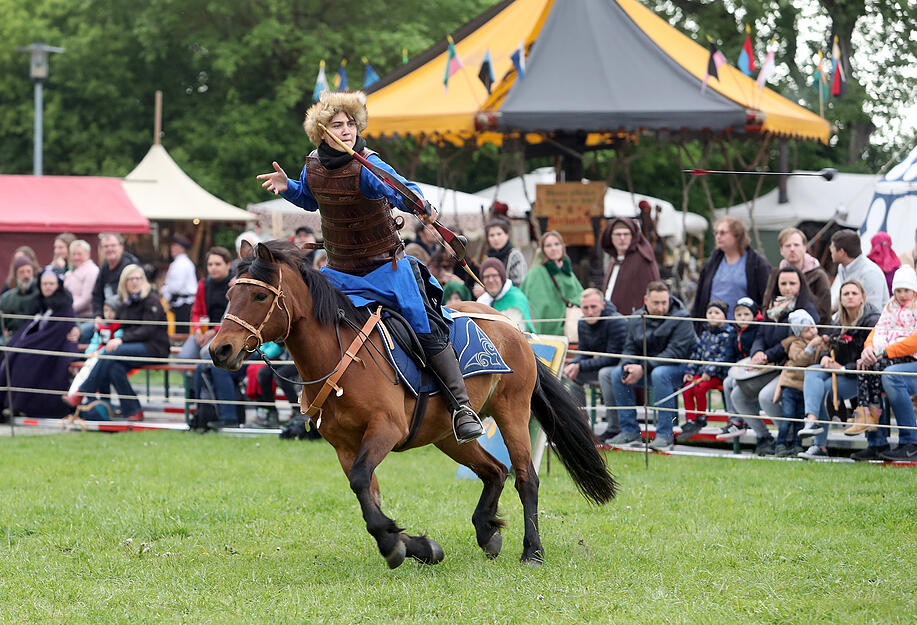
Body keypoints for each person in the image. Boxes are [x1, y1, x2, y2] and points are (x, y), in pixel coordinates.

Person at [256, 90, 483, 443]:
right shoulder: (313, 165)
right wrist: (290, 187)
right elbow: (311, 199)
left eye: (350, 123)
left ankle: (461, 406)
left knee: (423, 323)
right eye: (337, 125)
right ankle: (322, 399)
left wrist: (419, 203)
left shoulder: (367, 165)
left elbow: (396, 187)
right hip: (339, 273)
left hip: (386, 270)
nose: (346, 130)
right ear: (321, 132)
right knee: (311, 320)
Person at [727, 266, 819, 455]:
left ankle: (789, 438)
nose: (787, 288)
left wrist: (767, 355)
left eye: (792, 283)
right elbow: (760, 335)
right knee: (737, 395)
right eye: (783, 283)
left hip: (790, 367)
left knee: (767, 397)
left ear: (800, 285)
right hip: (768, 366)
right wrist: (757, 352)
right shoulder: (772, 308)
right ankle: (764, 437)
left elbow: (790, 342)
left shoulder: (805, 310)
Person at [65, 264, 169, 421]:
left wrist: (121, 339)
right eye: (130, 279)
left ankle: (82, 391)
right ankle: (134, 410)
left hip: (154, 348)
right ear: (124, 283)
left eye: (138, 278)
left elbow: (148, 330)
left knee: (111, 352)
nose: (135, 282)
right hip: (132, 347)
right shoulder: (126, 302)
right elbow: (120, 325)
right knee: (114, 367)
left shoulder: (151, 300)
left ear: (144, 281)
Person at [607, 281, 697, 450]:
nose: (661, 308)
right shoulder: (636, 319)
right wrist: (628, 365)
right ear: (646, 300)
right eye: (656, 303)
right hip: (650, 367)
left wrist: (642, 367)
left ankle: (665, 435)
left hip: (682, 367)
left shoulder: (682, 318)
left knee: (660, 374)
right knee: (617, 374)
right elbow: (629, 347)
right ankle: (629, 431)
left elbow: (675, 352)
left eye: (664, 302)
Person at [798, 279, 879, 459]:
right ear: (840, 299)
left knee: (824, 389)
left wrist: (842, 368)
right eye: (846, 294)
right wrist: (824, 357)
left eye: (854, 293)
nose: (850, 297)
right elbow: (829, 346)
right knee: (812, 371)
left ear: (862, 297)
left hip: (860, 375)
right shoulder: (838, 321)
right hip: (838, 370)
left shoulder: (871, 320)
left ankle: (819, 446)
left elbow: (871, 359)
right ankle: (811, 421)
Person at [845, 265, 917, 437]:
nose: (902, 295)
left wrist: (881, 353)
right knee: (864, 366)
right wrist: (870, 350)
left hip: (908, 356)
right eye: (898, 290)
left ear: (914, 290)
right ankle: (865, 413)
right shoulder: (890, 307)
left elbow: (913, 342)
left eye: (906, 290)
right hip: (885, 352)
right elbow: (880, 330)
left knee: (878, 368)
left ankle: (876, 415)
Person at [0, 270, 79, 419]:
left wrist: (28, 344)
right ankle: (8, 402)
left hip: (57, 345)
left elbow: (56, 331)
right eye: (44, 284)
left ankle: (20, 404)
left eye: (51, 284)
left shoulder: (64, 306)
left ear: (58, 285)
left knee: (25, 358)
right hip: (40, 343)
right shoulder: (41, 303)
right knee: (10, 353)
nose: (47, 287)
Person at [566, 289, 628, 442]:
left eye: (593, 307)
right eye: (585, 308)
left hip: (623, 367)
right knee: (571, 374)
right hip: (603, 365)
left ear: (603, 305)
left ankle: (614, 428)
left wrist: (580, 365)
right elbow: (584, 353)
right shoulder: (582, 322)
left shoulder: (616, 321)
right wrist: (574, 364)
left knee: (605, 374)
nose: (590, 312)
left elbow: (613, 358)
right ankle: (581, 426)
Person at [693, 216, 772, 321]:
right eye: (716, 233)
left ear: (737, 236)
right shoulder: (712, 262)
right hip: (712, 327)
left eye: (723, 233)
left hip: (742, 326)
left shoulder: (756, 264)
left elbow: (766, 298)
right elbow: (700, 298)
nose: (718, 236)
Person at [680, 300, 735, 440]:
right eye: (710, 312)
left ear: (724, 316)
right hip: (702, 372)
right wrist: (690, 371)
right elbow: (697, 354)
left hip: (717, 374)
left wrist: (709, 372)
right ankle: (691, 419)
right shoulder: (705, 334)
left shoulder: (728, 335)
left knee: (700, 388)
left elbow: (723, 357)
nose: (713, 315)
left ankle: (701, 417)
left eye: (717, 312)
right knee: (687, 388)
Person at [772, 309, 824, 457]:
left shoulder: (819, 343)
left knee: (800, 417)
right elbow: (801, 360)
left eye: (813, 327)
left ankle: (797, 445)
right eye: (807, 330)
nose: (812, 332)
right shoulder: (795, 344)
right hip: (790, 385)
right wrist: (810, 346)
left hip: (804, 388)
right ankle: (780, 443)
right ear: (799, 333)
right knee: (787, 415)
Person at [761, 228, 832, 324]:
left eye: (796, 245)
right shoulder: (775, 275)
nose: (792, 249)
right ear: (781, 250)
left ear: (804, 248)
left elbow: (825, 311)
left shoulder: (818, 275)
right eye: (788, 246)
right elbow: (766, 304)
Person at [521, 231, 583, 336]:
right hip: (546, 329)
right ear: (543, 250)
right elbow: (535, 306)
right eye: (548, 245)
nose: (553, 248)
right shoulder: (536, 272)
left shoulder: (567, 271)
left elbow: (580, 296)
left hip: (568, 326)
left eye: (557, 244)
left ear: (562, 246)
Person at [717, 297, 762, 440]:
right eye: (739, 315)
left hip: (754, 369)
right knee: (727, 382)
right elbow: (729, 355)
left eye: (746, 314)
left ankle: (742, 420)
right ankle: (734, 420)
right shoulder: (733, 333)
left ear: (754, 315)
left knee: (736, 383)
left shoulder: (758, 330)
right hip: (738, 369)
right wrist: (728, 371)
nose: (742, 318)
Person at [177, 247, 233, 360]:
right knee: (184, 358)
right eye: (210, 264)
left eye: (217, 264)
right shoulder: (203, 284)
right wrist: (197, 329)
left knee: (206, 356)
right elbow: (196, 312)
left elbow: (234, 317)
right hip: (203, 331)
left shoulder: (236, 285)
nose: (213, 268)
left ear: (228, 265)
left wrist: (214, 331)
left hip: (226, 333)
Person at [599, 217, 660, 315]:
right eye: (618, 234)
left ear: (633, 236)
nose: (622, 238)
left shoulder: (642, 259)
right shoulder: (614, 259)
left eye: (626, 234)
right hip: (610, 317)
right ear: (611, 237)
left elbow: (651, 292)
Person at [828, 229, 888, 312]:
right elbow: (844, 296)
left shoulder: (870, 273)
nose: (830, 249)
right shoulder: (842, 267)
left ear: (841, 252)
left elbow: (874, 310)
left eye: (832, 247)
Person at [476, 257, 535, 332]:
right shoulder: (482, 301)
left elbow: (513, 333)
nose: (490, 280)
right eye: (486, 276)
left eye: (494, 275)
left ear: (502, 277)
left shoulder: (516, 300)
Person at [90, 233, 139, 320]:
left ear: (121, 247)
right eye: (106, 246)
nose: (109, 249)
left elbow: (135, 297)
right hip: (106, 317)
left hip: (125, 319)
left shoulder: (130, 267)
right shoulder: (104, 268)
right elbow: (97, 295)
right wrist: (98, 315)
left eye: (113, 245)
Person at [160, 234, 198, 327]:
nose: (172, 249)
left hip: (183, 304)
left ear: (182, 248)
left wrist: (163, 290)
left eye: (175, 246)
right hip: (180, 303)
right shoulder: (180, 262)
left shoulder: (181, 263)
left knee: (181, 331)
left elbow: (176, 286)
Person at [0, 256, 41, 338]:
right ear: (16, 274)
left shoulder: (41, 295)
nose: (26, 275)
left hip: (35, 338)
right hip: (12, 338)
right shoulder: (7, 298)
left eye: (28, 271)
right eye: (22, 272)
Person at [484, 218, 527, 288]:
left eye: (499, 234)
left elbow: (519, 284)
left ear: (507, 235)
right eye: (492, 235)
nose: (495, 238)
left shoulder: (515, 256)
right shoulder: (488, 257)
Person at [63, 239, 99, 318]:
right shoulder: (68, 273)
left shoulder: (92, 271)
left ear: (88, 254)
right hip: (69, 314)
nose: (76, 257)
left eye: (79, 254)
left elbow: (86, 299)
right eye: (73, 254)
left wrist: (67, 311)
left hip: (85, 317)